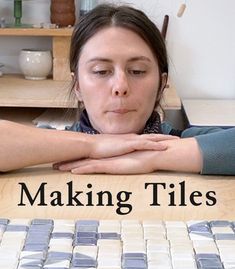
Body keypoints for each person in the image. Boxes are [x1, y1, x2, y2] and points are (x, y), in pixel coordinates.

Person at [1, 4, 234, 175]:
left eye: (138, 71)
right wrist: (93, 145)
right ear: (78, 86)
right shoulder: (47, 146)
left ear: (162, 85)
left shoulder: (181, 142)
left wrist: (152, 156)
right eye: (102, 71)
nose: (120, 87)